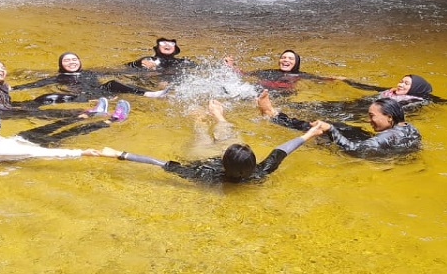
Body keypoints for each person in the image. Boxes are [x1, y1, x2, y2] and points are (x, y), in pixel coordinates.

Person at [98, 99, 326, 183]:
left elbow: (158, 163)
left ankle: (201, 117)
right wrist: (308, 134)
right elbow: (282, 150)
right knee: (224, 133)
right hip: (206, 158)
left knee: (202, 134)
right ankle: (218, 115)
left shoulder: (205, 174)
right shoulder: (260, 172)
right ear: (252, 162)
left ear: (225, 158)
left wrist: (121, 154)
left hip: (203, 157)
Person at [257, 91, 421, 158]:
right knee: (342, 127)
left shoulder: (387, 136)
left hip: (368, 153)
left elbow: (355, 151)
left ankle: (273, 114)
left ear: (390, 117)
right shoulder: (409, 128)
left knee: (323, 129)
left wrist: (330, 129)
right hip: (380, 152)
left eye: (372, 116)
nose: (369, 120)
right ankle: (275, 115)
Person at [0, 107, 113, 161]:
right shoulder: (2, 149)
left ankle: (87, 114)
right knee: (70, 132)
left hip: (19, 139)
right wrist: (82, 152)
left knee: (55, 125)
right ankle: (109, 121)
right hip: (30, 145)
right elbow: (46, 153)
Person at [12, 51, 171, 103]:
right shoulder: (59, 77)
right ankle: (152, 94)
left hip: (102, 92)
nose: (72, 62)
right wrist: (13, 88)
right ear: (61, 65)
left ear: (79, 62)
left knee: (113, 82)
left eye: (74, 59)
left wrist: (139, 62)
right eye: (67, 61)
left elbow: (117, 70)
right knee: (110, 85)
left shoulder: (89, 72)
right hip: (85, 97)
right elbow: (36, 84)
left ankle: (151, 94)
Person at [225, 49, 376, 93]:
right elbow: (244, 74)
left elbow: (320, 79)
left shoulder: (300, 75)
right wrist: (231, 66)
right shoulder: (268, 71)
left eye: (290, 59)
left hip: (279, 94)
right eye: (283, 58)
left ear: (296, 63)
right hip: (256, 90)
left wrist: (337, 78)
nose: (285, 60)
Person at [126, 37, 190, 71]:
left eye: (171, 43)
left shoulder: (182, 62)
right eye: (163, 42)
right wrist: (140, 62)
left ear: (175, 50)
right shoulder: (149, 60)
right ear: (156, 48)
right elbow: (127, 66)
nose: (167, 44)